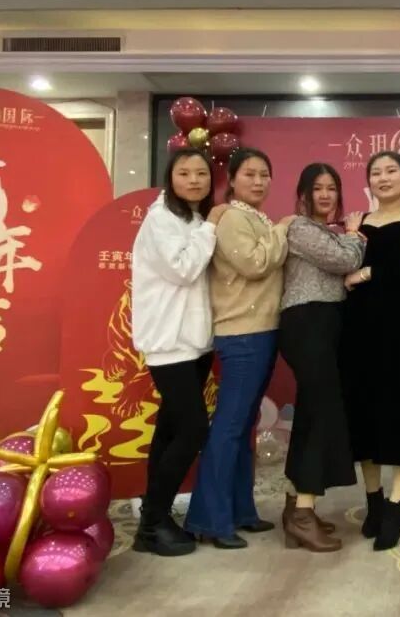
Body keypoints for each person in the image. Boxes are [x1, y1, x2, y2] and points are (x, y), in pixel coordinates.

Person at [185, 147, 294, 549]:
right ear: (231, 180)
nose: (258, 181)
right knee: (230, 427)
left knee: (243, 425)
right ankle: (210, 519)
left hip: (261, 329)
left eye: (264, 174)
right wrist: (284, 229)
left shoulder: (256, 217)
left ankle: (240, 511)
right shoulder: (231, 217)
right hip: (242, 333)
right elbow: (254, 263)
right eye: (249, 174)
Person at [130, 148, 227, 557]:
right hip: (168, 343)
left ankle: (154, 518)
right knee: (192, 430)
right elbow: (183, 269)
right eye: (184, 173)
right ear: (170, 178)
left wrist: (208, 225)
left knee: (170, 430)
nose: (194, 180)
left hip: (193, 342)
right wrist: (213, 227)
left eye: (201, 173)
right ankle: (153, 522)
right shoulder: (161, 219)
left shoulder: (193, 219)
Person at [341, 151, 400, 551]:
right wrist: (352, 243)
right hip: (358, 329)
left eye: (391, 171)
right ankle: (374, 501)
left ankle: (397, 505)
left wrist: (368, 272)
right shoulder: (358, 224)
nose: (383, 178)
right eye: (376, 172)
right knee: (364, 414)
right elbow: (341, 269)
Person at [278, 163, 365, 552]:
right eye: (318, 188)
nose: (326, 195)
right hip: (306, 322)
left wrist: (346, 240)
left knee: (313, 413)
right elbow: (345, 261)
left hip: (324, 323)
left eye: (332, 188)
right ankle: (303, 512)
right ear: (304, 193)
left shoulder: (324, 231)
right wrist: (355, 236)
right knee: (320, 413)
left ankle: (296, 507)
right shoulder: (299, 228)